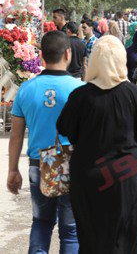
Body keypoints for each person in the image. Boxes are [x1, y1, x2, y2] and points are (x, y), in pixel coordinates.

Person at [57, 36, 137, 253]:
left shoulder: (80, 96)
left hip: (88, 176)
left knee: (91, 238)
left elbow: (64, 128)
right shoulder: (135, 94)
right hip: (126, 178)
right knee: (126, 238)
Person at [8, 31, 83, 253]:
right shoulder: (79, 89)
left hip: (38, 163)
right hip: (71, 162)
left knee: (41, 223)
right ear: (68, 54)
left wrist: (13, 169)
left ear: (41, 56)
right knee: (70, 230)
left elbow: (16, 135)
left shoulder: (26, 89)